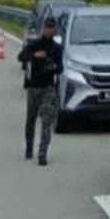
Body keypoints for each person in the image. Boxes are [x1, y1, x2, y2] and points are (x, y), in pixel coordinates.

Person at [17, 16, 63, 166]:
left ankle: (43, 152)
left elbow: (61, 68)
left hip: (48, 87)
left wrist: (54, 67)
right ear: (43, 28)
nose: (49, 30)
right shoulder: (35, 44)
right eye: (47, 27)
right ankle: (29, 147)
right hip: (34, 86)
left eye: (52, 27)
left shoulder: (56, 48)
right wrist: (34, 56)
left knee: (47, 121)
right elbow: (21, 56)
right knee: (31, 119)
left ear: (54, 29)